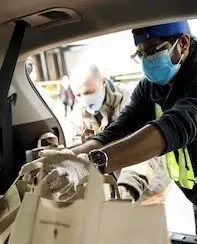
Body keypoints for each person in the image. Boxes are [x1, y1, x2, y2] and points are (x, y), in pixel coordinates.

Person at [22, 21, 197, 244]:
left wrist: (90, 165)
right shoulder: (153, 86)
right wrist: (69, 156)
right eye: (140, 54)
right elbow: (119, 130)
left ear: (182, 44)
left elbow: (172, 128)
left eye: (153, 51)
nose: (147, 61)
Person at [70, 63, 170, 202]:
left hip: (146, 184)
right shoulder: (78, 114)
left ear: (103, 83)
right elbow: (79, 145)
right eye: (78, 95)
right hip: (111, 186)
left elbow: (145, 148)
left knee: (146, 218)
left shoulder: (130, 101)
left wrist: (129, 186)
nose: (84, 99)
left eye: (89, 92)